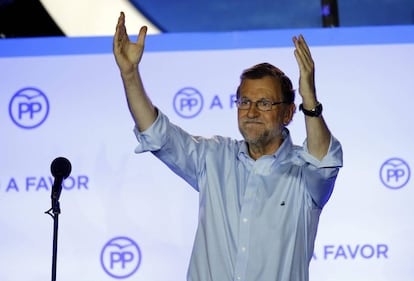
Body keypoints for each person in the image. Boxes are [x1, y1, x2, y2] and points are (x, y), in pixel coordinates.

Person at [113, 11, 343, 281]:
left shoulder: (303, 173)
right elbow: (156, 133)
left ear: (289, 113)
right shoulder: (213, 156)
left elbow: (324, 161)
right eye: (245, 102)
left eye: (264, 103)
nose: (252, 111)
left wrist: (310, 99)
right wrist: (130, 75)